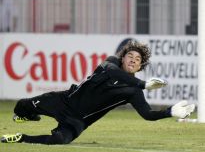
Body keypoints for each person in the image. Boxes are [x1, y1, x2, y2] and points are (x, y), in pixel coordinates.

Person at [1, 41, 195, 145]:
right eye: (130, 56)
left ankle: (20, 138)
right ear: (123, 57)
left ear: (141, 65)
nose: (134, 60)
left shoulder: (133, 92)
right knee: (20, 106)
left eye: (138, 59)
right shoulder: (110, 64)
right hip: (63, 101)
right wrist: (143, 84)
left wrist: (169, 112)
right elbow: (113, 71)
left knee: (59, 140)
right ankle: (31, 115)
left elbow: (147, 115)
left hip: (77, 121)